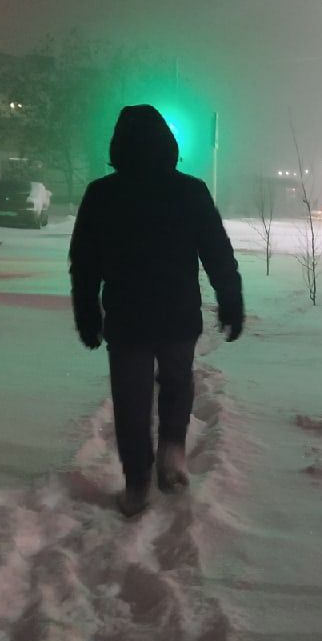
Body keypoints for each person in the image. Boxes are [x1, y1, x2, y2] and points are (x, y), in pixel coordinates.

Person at [69, 104, 243, 517]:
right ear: (168, 145)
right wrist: (231, 298)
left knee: (130, 400)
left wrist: (87, 311)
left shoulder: (102, 194)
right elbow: (217, 251)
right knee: (177, 384)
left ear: (119, 147)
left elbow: (85, 261)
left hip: (127, 317)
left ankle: (138, 483)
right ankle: (171, 453)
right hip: (177, 313)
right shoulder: (190, 190)